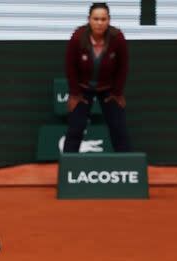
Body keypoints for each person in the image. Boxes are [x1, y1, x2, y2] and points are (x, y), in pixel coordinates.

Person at [63, 2, 131, 153]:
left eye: (103, 19)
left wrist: (117, 92)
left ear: (109, 20)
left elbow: (123, 67)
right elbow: (70, 66)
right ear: (89, 20)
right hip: (82, 89)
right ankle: (68, 169)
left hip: (109, 90)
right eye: (96, 19)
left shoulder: (117, 37)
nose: (99, 23)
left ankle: (126, 168)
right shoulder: (78, 37)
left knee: (119, 129)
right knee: (75, 128)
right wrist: (75, 93)